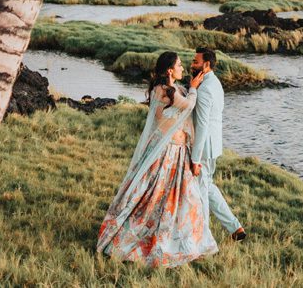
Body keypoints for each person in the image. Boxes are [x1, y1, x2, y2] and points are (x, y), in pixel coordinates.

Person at [97, 51, 218, 268]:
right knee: (155, 197)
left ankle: (187, 239)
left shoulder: (173, 89)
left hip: (179, 152)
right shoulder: (164, 90)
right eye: (180, 65)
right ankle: (146, 237)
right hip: (168, 153)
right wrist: (194, 87)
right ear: (170, 70)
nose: (184, 68)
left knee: (186, 199)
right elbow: (189, 105)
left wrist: (191, 87)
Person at [189, 47, 246, 242]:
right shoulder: (213, 82)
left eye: (195, 62)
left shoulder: (204, 89)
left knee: (202, 192)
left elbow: (203, 124)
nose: (191, 64)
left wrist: (195, 158)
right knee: (208, 186)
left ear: (206, 64)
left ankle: (203, 239)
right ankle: (235, 227)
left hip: (204, 148)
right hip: (214, 145)